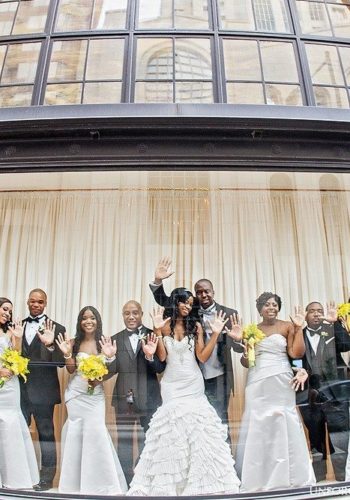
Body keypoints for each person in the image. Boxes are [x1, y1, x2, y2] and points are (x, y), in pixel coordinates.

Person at [127, 288, 241, 496]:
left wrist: (215, 334)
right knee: (172, 430)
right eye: (184, 302)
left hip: (193, 381)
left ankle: (201, 481)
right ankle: (171, 484)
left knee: (199, 429)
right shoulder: (164, 325)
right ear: (175, 302)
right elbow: (162, 357)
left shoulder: (195, 326)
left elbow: (203, 357)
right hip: (171, 383)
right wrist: (157, 332)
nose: (188, 306)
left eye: (190, 303)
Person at [235, 292, 315, 492]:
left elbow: (296, 354)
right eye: (267, 305)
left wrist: (297, 328)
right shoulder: (252, 329)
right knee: (259, 423)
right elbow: (247, 361)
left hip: (281, 378)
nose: (271, 308)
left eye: (274, 304)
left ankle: (292, 476)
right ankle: (258, 478)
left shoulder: (286, 326)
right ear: (260, 308)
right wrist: (244, 351)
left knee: (284, 420)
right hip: (256, 379)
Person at [150, 257, 243, 425]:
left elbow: (237, 347)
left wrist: (239, 340)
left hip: (219, 375)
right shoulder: (191, 312)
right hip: (194, 374)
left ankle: (223, 451)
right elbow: (169, 301)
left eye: (206, 291)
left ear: (213, 292)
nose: (203, 295)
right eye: (199, 292)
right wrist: (158, 281)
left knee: (219, 419)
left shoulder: (229, 313)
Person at [55, 306, 127, 495]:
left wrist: (110, 357)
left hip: (95, 397)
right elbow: (71, 370)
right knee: (76, 435)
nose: (89, 321)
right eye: (84, 318)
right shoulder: (73, 342)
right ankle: (73, 485)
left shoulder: (105, 342)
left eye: (92, 318)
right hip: (76, 395)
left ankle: (100, 484)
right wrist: (67, 354)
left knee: (95, 434)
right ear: (80, 322)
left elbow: (110, 369)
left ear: (98, 321)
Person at [110, 300, 165, 486]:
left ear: (141, 313)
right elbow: (111, 371)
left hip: (150, 397)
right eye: (127, 313)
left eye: (135, 312)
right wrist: (109, 357)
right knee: (124, 441)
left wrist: (150, 356)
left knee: (149, 440)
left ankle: (144, 478)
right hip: (124, 397)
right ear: (123, 315)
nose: (131, 316)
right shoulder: (115, 339)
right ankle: (126, 481)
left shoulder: (153, 334)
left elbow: (160, 367)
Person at [297, 301, 350, 482]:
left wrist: (335, 323)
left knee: (340, 436)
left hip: (336, 394)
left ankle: (341, 480)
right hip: (310, 395)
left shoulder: (331, 330)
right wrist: (298, 371)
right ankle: (319, 479)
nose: (317, 314)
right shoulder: (299, 334)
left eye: (320, 311)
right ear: (306, 315)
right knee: (315, 438)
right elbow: (294, 357)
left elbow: (347, 345)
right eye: (312, 311)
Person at [20, 288, 66, 491]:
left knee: (46, 434)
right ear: (27, 302)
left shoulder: (58, 327)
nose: (36, 305)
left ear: (45, 303)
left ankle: (47, 479)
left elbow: (61, 364)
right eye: (32, 301)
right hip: (18, 390)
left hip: (44, 391)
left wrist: (49, 346)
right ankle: (19, 475)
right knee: (17, 433)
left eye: (40, 302)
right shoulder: (17, 326)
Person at [0, 297, 39, 489]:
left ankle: (14, 477)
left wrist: (17, 338)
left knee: (11, 425)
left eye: (10, 311)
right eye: (4, 309)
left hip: (10, 386)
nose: (7, 313)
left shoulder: (9, 331)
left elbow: (17, 356)